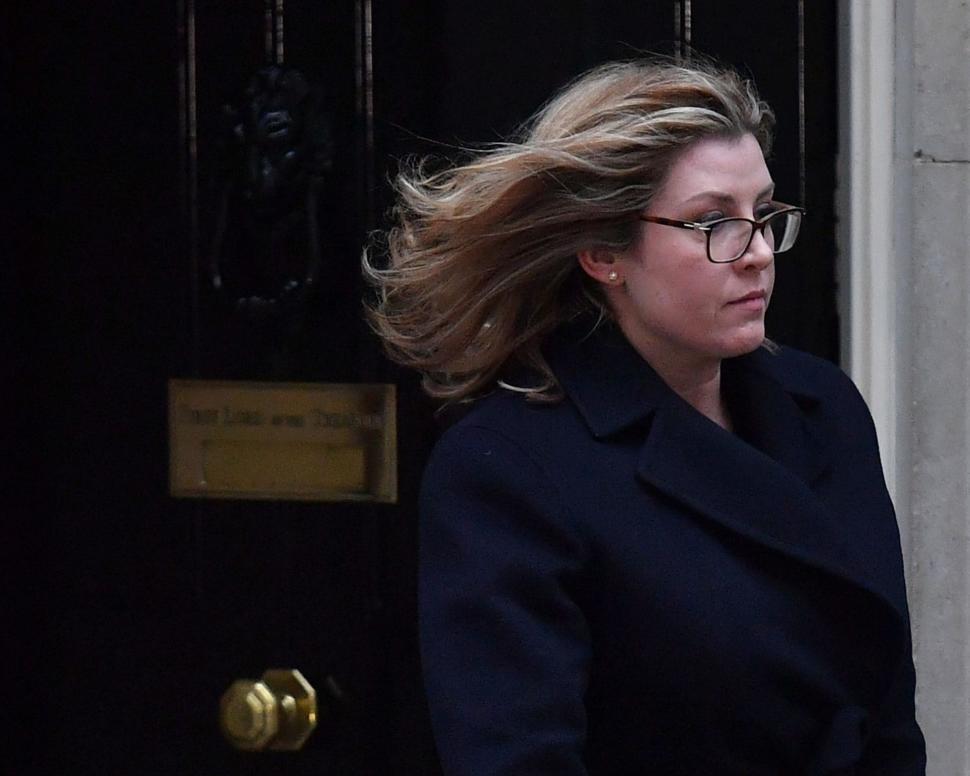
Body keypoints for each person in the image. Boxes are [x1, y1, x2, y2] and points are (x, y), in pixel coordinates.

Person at [364, 58, 925, 774]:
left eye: (765, 215)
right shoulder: (509, 469)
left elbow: (886, 710)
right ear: (603, 252)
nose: (756, 253)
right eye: (712, 221)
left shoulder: (823, 408)